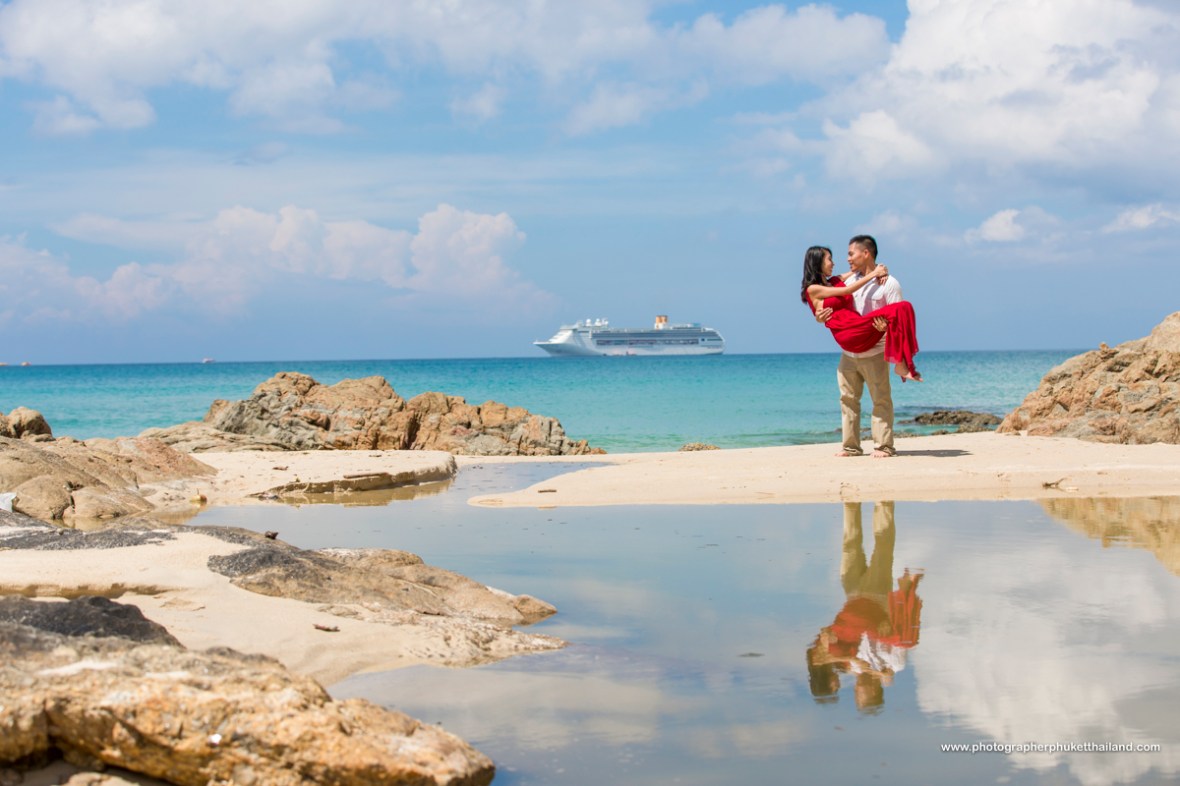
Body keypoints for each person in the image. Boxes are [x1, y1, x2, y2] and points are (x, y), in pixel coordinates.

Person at [801, 236, 920, 458]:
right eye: (831, 258)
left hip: (873, 347)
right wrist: (819, 318)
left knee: (880, 398)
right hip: (849, 347)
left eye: (850, 254)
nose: (842, 260)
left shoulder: (886, 282)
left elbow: (890, 312)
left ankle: (883, 446)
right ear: (818, 263)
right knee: (848, 400)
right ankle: (850, 447)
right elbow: (835, 300)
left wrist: (885, 326)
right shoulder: (839, 285)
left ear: (865, 253)